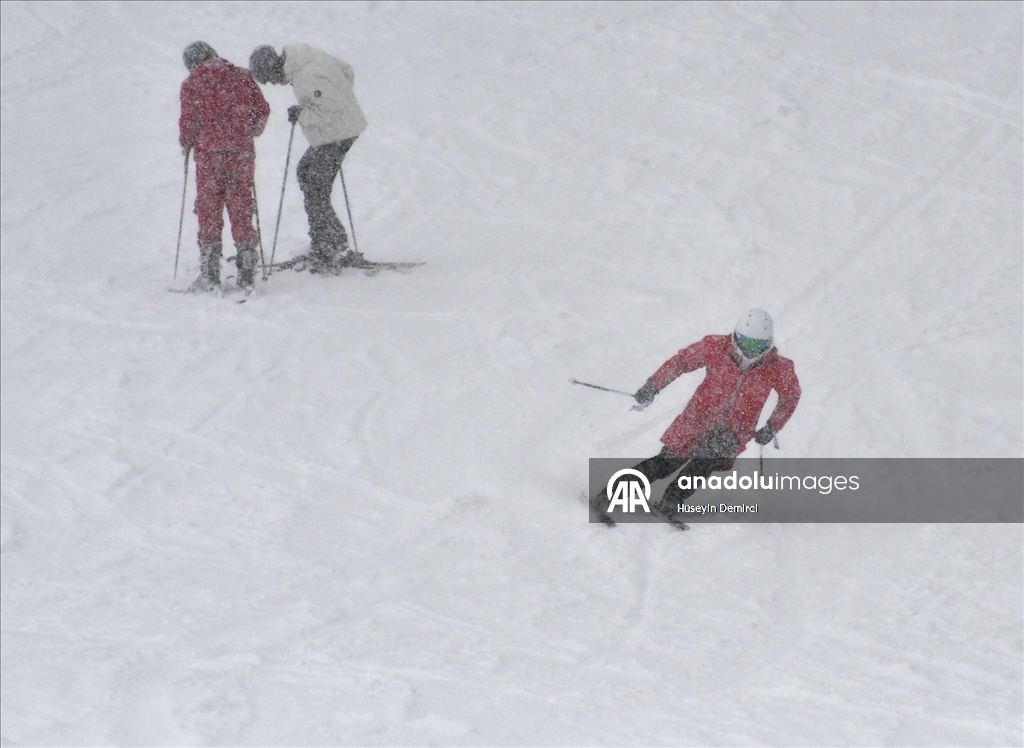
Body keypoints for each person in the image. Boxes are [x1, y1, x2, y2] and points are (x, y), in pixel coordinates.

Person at [591, 309, 802, 526]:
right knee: (666, 463)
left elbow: (790, 397)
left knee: (704, 463)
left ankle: (670, 501)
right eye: (745, 342)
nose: (749, 350)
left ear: (768, 343)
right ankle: (608, 494)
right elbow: (681, 362)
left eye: (757, 345)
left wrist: (773, 426)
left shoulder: (779, 368)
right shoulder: (716, 347)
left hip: (734, 431)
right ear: (735, 336)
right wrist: (653, 386)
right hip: (697, 419)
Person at [249, 44, 368, 273]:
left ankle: (326, 248)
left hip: (340, 132)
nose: (275, 83)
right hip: (341, 127)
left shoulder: (306, 75)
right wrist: (337, 92)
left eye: (271, 79)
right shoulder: (305, 59)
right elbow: (346, 70)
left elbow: (334, 105)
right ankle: (333, 240)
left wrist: (304, 113)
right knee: (306, 172)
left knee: (315, 185)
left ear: (274, 68)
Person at [179, 41, 270, 291]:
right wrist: (247, 131)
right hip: (241, 154)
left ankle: (209, 273)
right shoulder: (242, 77)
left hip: (209, 156)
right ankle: (247, 269)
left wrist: (187, 142)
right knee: (241, 205)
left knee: (209, 209)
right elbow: (262, 111)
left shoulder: (191, 85)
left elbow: (189, 123)